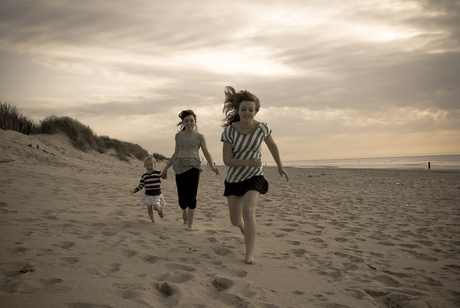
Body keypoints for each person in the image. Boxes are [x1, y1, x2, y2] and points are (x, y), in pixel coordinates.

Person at [220, 86, 289, 264]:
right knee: (235, 221)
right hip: (235, 178)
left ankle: (249, 254)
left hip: (254, 176)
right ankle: (243, 228)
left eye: (251, 110)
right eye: (243, 109)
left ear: (256, 111)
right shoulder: (229, 131)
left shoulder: (262, 129)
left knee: (249, 210)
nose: (247, 113)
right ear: (238, 110)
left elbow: (272, 146)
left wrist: (280, 166)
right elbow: (226, 159)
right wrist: (246, 162)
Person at [162, 110, 220, 230]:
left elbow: (206, 153)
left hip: (194, 168)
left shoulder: (200, 137)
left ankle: (190, 225)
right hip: (179, 167)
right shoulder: (178, 136)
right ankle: (184, 210)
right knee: (182, 199)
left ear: (195, 122)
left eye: (191, 120)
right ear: (183, 122)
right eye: (186, 121)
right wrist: (166, 168)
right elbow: (175, 153)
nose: (189, 123)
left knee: (192, 197)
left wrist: (212, 166)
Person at [131, 156, 166, 223]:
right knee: (149, 208)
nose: (149, 166)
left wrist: (164, 174)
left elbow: (163, 177)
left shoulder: (158, 173)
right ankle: (153, 221)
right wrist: (136, 190)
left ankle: (160, 211)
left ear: (154, 165)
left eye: (151, 165)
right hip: (148, 194)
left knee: (155, 207)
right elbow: (141, 185)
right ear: (145, 166)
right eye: (147, 165)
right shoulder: (144, 176)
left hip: (156, 194)